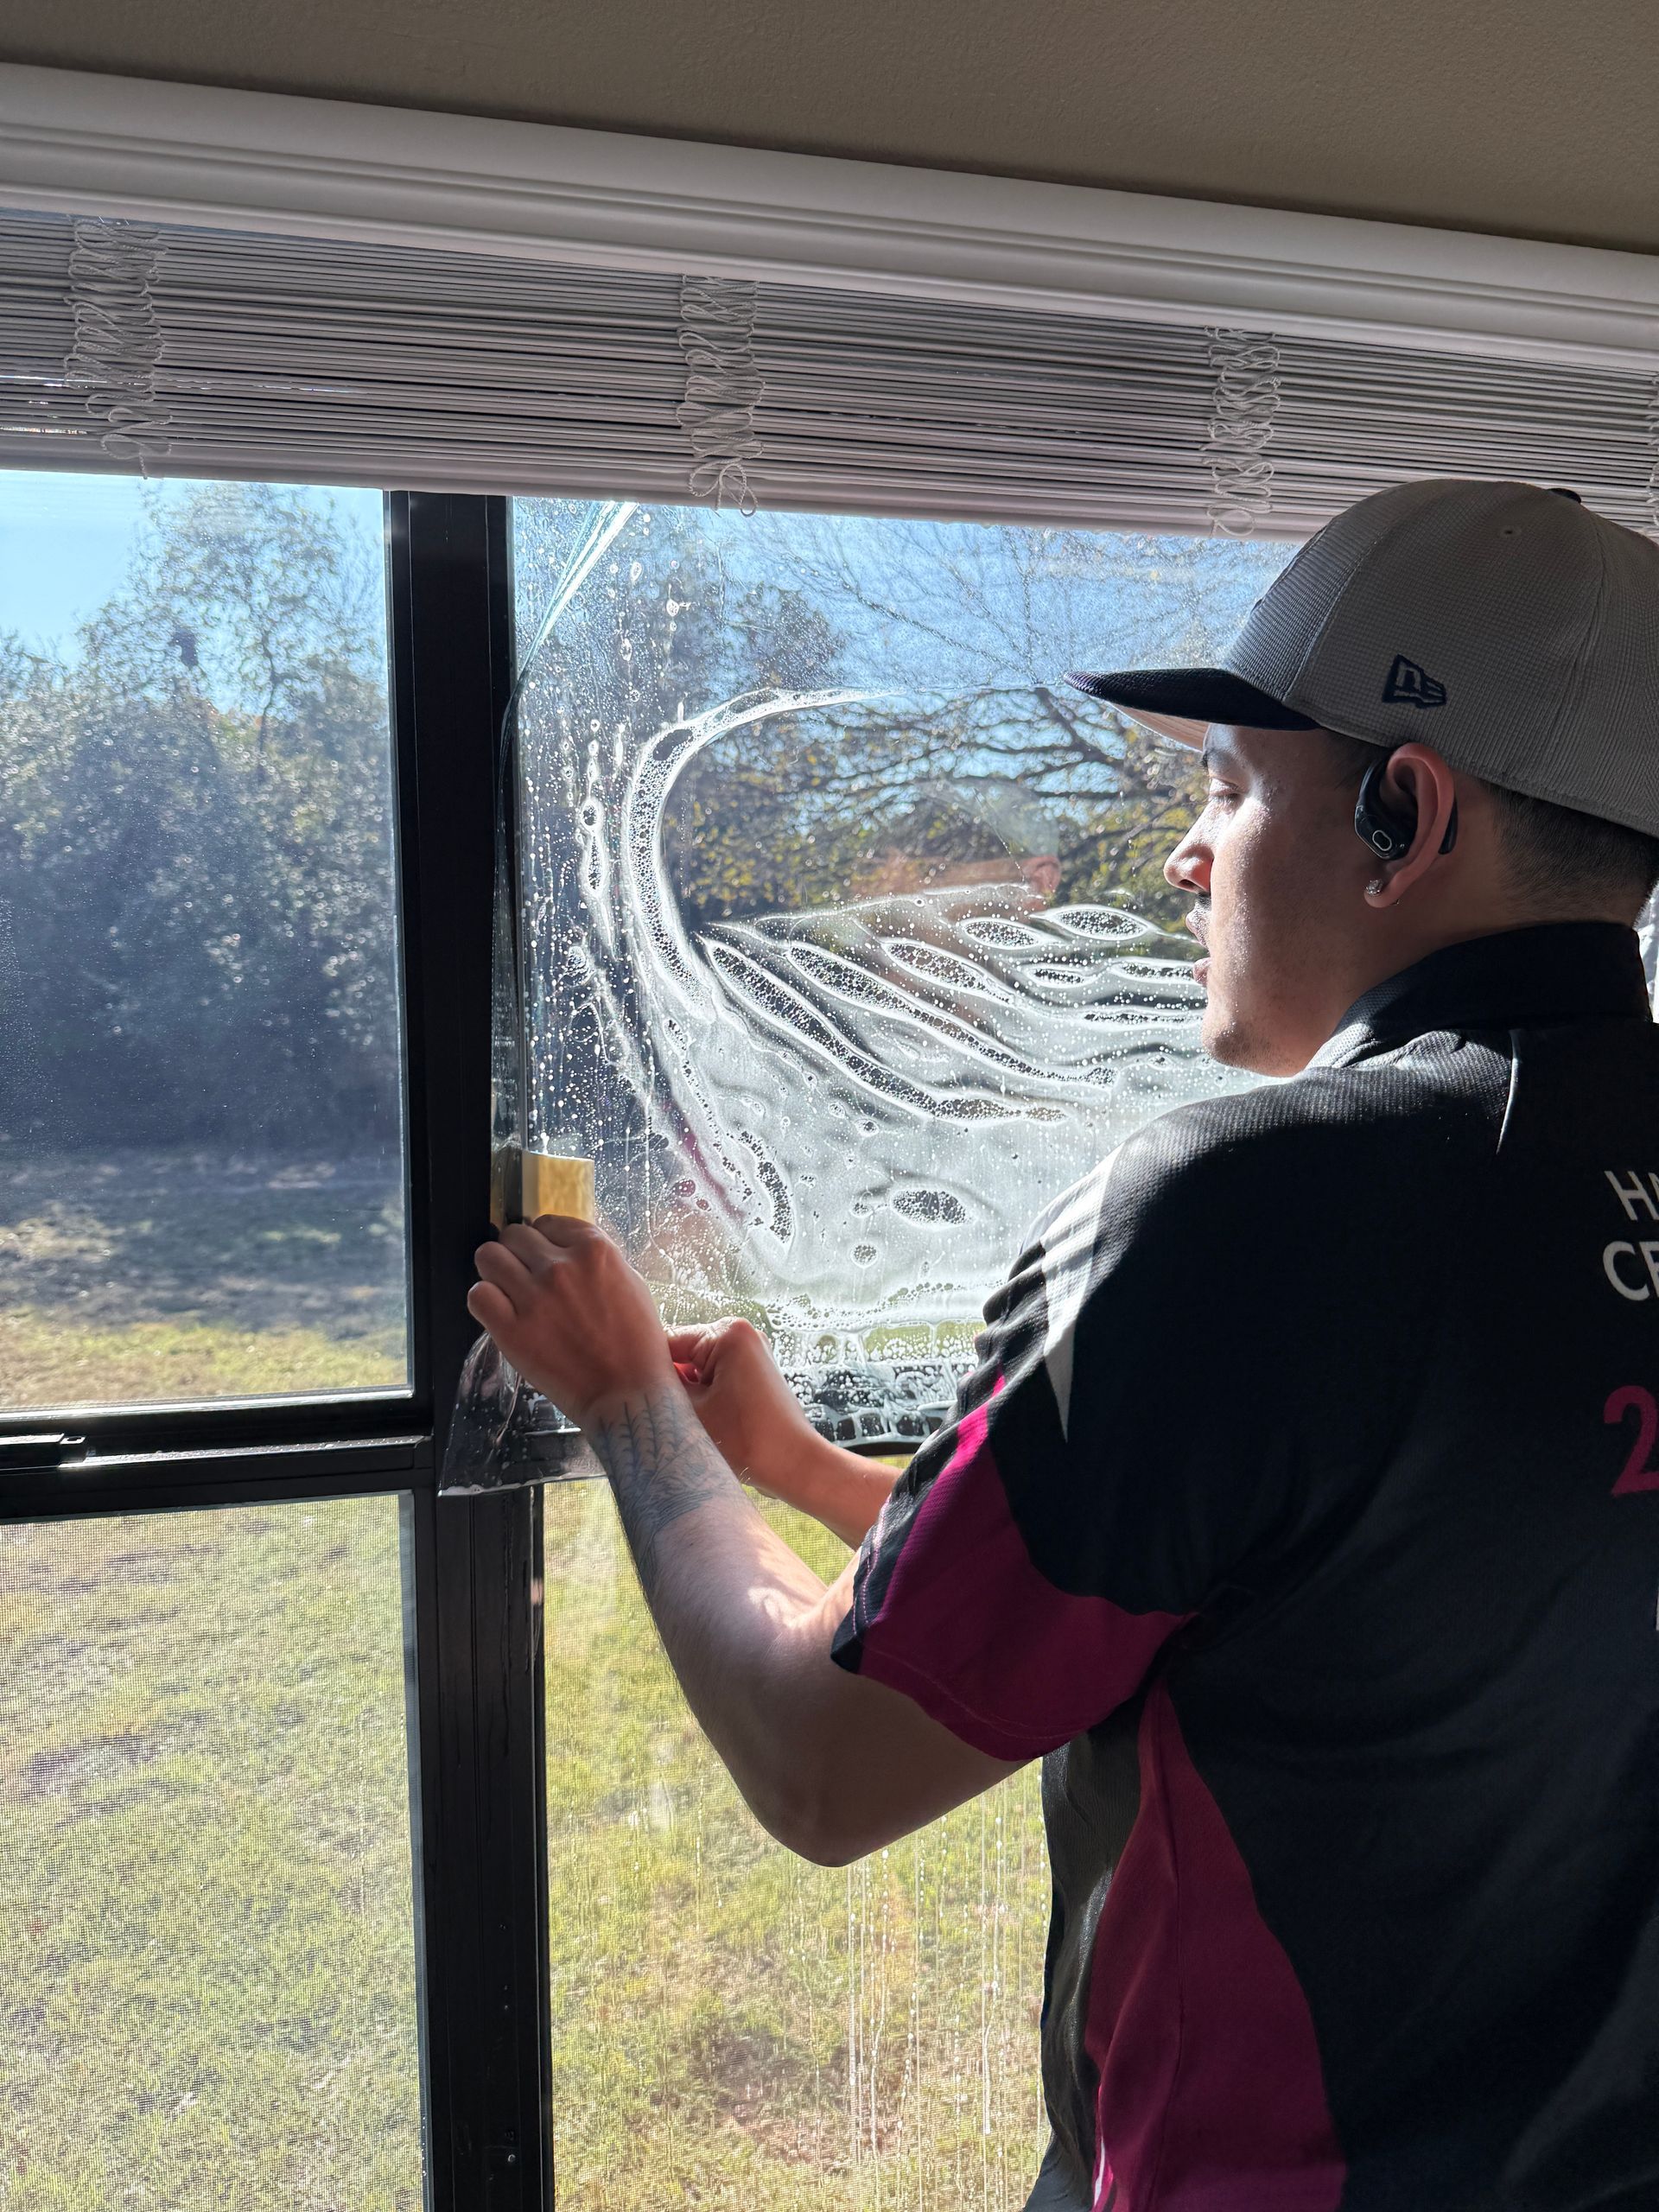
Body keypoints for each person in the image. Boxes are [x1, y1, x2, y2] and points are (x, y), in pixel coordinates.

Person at [467, 478, 1659, 2211]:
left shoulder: (1247, 1218)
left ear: (1403, 812)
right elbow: (1303, 1581)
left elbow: (823, 1760)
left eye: (1233, 785)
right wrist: (798, 1469)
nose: (1188, 852)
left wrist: (626, 1402)